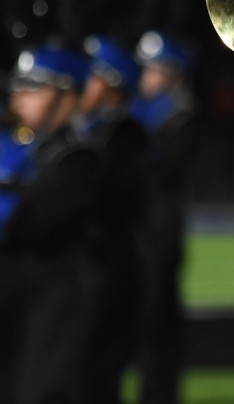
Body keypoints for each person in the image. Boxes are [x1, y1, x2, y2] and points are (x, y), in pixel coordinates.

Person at [0, 43, 99, 403]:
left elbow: (28, 223)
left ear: (66, 96)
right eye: (18, 86)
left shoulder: (77, 158)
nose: (19, 96)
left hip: (49, 301)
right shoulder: (14, 145)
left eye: (33, 87)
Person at [75, 34, 149, 404]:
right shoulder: (81, 133)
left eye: (92, 77)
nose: (82, 86)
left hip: (108, 270)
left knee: (99, 375)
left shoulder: (125, 137)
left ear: (112, 86)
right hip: (84, 272)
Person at [129, 30, 201, 404]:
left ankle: (158, 393)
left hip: (158, 226)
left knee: (157, 316)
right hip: (146, 223)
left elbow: (160, 171)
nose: (146, 78)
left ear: (171, 73)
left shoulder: (176, 115)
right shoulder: (146, 110)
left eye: (154, 70)